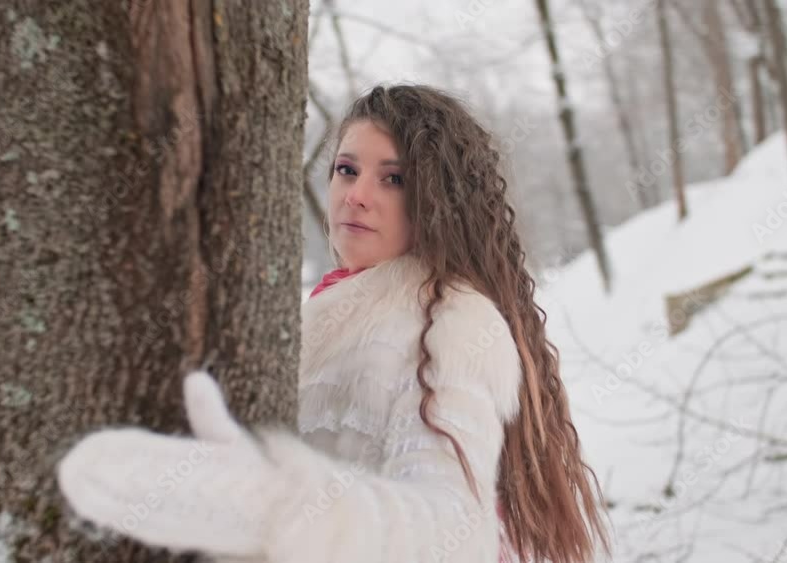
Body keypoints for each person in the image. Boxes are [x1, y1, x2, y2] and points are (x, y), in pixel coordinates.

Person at [56, 84, 612, 563]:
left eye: (393, 179)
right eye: (346, 170)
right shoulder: (326, 311)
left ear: (441, 202)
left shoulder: (451, 323)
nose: (357, 196)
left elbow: (453, 534)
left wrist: (275, 499)